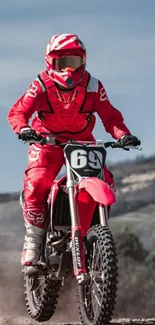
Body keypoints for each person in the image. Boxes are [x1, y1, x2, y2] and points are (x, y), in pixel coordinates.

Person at [8, 33, 141, 269]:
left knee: (105, 180)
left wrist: (123, 135)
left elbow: (110, 116)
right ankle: (33, 240)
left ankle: (91, 235)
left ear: (83, 61)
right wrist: (24, 128)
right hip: (46, 142)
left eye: (75, 62)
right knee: (37, 182)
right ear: (51, 62)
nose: (69, 70)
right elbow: (19, 111)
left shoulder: (92, 85)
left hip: (81, 143)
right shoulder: (40, 84)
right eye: (63, 62)